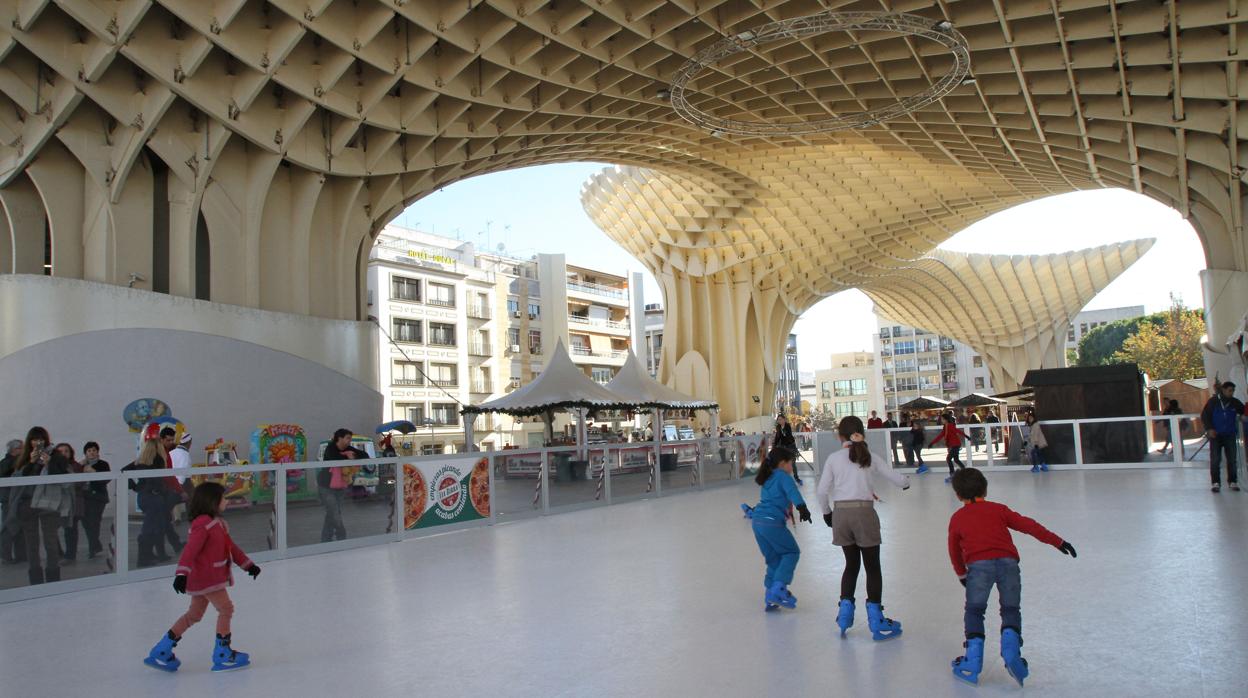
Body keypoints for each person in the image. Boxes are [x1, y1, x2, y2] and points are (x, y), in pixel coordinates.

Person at [947, 468, 1078, 686]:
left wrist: (961, 573)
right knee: (1010, 609)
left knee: (974, 610)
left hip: (978, 568)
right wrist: (1058, 542)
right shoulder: (998, 510)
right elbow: (1029, 525)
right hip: (1008, 564)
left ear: (958, 495)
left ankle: (973, 659)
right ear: (985, 489)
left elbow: (953, 549)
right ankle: (1011, 652)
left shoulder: (958, 518)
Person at [143, 482, 260, 673]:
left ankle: (162, 649)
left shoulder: (217, 523)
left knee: (194, 615)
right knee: (226, 608)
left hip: (204, 578)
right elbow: (190, 551)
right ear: (212, 501)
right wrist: (181, 573)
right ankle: (222, 652)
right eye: (223, 498)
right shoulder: (204, 524)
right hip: (208, 578)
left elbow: (231, 548)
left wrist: (248, 565)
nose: (226, 502)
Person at [816, 415, 910, 640]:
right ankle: (876, 619)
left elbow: (821, 492)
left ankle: (845, 613)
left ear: (839, 436)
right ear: (862, 433)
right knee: (872, 567)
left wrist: (828, 514)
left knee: (851, 565)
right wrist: (906, 481)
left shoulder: (833, 459)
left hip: (840, 514)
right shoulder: (870, 457)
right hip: (864, 514)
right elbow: (897, 479)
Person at [748, 445, 811, 611]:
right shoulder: (783, 476)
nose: (792, 467)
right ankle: (778, 588)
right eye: (791, 463)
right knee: (791, 552)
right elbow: (792, 492)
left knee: (774, 559)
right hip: (771, 522)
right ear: (783, 463)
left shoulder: (767, 477)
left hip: (757, 522)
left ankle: (769, 595)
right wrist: (802, 507)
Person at [11, 427, 72, 584]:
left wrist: (49, 464)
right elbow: (16, 480)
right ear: (29, 441)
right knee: (31, 544)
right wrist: (30, 463)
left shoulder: (56, 456)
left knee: (50, 542)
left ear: (45, 440)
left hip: (48, 504)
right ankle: (35, 581)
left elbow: (65, 480)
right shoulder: (24, 458)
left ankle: (53, 579)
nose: (37, 443)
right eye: (34, 439)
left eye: (40, 439)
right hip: (27, 504)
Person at [124, 429, 177, 567]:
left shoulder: (140, 461)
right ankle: (144, 557)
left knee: (154, 527)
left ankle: (150, 555)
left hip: (144, 497)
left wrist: (136, 487)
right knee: (152, 528)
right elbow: (160, 481)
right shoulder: (158, 460)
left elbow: (123, 471)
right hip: (155, 498)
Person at [319, 428, 365, 542]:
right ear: (340, 438)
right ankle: (341, 536)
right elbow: (335, 458)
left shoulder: (348, 448)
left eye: (350, 438)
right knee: (334, 512)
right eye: (348, 438)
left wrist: (352, 455)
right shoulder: (331, 447)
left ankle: (326, 540)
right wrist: (347, 456)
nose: (350, 441)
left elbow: (364, 454)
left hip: (340, 486)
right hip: (326, 486)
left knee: (332, 513)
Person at [1200, 382, 1245, 492]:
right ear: (1223, 390)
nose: (1231, 393)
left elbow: (1243, 411)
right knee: (1215, 459)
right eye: (1230, 390)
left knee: (1232, 459)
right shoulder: (1213, 402)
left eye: (1233, 391)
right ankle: (1216, 483)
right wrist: (1209, 429)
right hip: (1216, 435)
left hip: (1229, 435)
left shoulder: (1235, 402)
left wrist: (1243, 416)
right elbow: (1205, 416)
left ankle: (1232, 481)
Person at [79, 441, 111, 559]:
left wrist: (94, 472)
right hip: (84, 497)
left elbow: (106, 479)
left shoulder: (103, 464)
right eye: (89, 451)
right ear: (85, 453)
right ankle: (96, 545)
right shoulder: (81, 465)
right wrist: (79, 466)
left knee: (94, 522)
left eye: (94, 450)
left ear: (98, 452)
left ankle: (92, 548)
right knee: (86, 523)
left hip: (97, 497)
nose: (91, 453)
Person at [55, 443, 85, 563]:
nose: (63, 454)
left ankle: (70, 555)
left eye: (66, 451)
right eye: (60, 451)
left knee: (70, 530)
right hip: (57, 502)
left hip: (73, 502)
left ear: (70, 453)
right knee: (52, 529)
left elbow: (79, 483)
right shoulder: (53, 466)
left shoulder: (76, 466)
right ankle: (58, 552)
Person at [1, 438, 25, 565]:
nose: (22, 450)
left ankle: (21, 555)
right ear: (13, 450)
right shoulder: (7, 463)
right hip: (9, 500)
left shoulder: (16, 462)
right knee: (8, 526)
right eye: (20, 448)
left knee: (20, 527)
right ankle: (6, 556)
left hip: (16, 499)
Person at [930, 413, 971, 483]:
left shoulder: (950, 426)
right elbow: (940, 436)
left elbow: (957, 431)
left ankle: (952, 475)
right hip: (952, 445)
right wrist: (932, 443)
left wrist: (966, 436)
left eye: (942, 419)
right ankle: (965, 472)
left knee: (948, 459)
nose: (941, 420)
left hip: (955, 444)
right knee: (956, 459)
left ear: (946, 420)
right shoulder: (945, 427)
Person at [169, 432, 195, 517]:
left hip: (171, 481)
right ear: (189, 442)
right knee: (192, 501)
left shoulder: (171, 453)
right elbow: (183, 471)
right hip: (184, 483)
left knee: (171, 502)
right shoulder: (185, 455)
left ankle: (175, 518)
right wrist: (179, 488)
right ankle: (192, 518)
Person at [773, 415, 801, 485]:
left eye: (781, 419)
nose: (780, 421)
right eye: (778, 420)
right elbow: (777, 437)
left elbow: (789, 436)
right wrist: (775, 445)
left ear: (784, 419)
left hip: (790, 446)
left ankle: (797, 478)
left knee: (793, 463)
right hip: (783, 447)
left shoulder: (787, 426)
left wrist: (784, 432)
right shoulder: (778, 427)